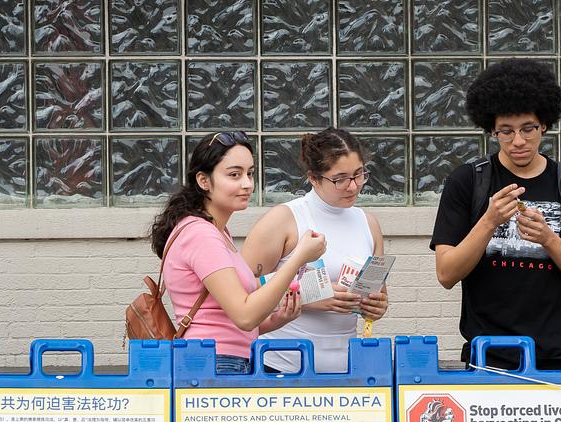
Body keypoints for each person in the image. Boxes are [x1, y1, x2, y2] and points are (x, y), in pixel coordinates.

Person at [431, 59, 561, 370]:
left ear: (544, 124)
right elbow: (446, 274)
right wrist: (488, 222)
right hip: (486, 355)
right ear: (491, 129)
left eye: (528, 129)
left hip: (558, 357)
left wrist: (548, 239)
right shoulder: (468, 181)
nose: (518, 141)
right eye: (506, 131)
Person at [150, 131, 326, 374]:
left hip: (223, 360)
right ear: (204, 181)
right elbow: (244, 315)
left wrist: (277, 320)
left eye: (250, 173)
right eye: (234, 175)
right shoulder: (201, 234)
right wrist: (299, 257)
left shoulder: (217, 232)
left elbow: (228, 322)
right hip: (216, 364)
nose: (247, 184)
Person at [242, 128, 389, 373]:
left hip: (348, 368)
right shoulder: (284, 219)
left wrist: (377, 306)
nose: (353, 186)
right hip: (281, 365)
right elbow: (242, 290)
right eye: (340, 178)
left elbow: (377, 288)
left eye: (359, 174)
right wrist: (310, 296)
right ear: (313, 178)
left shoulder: (369, 223)